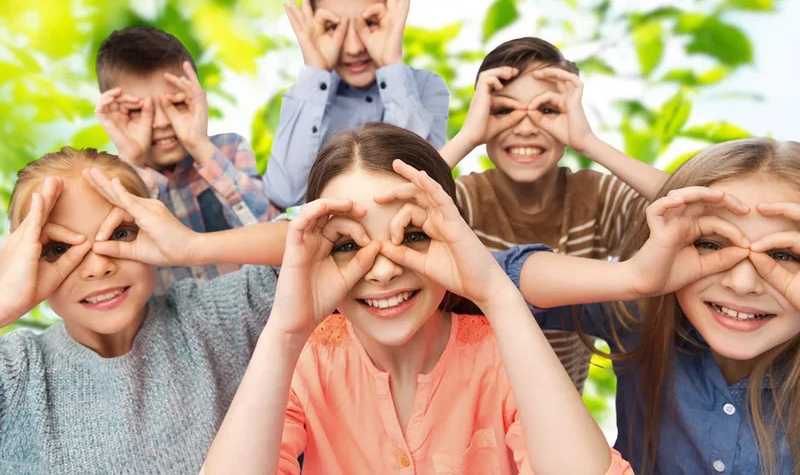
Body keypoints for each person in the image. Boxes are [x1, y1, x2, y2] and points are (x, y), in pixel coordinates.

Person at [202, 123, 633, 475]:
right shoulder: (308, 360)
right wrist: (284, 332)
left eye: (412, 236)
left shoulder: (501, 354)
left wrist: (497, 293)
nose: (384, 269)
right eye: (348, 244)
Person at [506, 138, 800, 474]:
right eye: (711, 244)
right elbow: (481, 279)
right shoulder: (641, 312)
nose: (742, 284)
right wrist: (631, 277)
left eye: (784, 255)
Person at [0, 147, 287, 473]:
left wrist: (194, 246)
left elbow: (329, 240)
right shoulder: (16, 373)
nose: (98, 267)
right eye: (58, 249)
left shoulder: (211, 318)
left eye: (121, 233)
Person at [439, 36, 668, 391]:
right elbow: (387, 209)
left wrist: (589, 142)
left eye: (547, 110)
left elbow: (699, 207)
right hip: (469, 406)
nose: (526, 126)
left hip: (561, 409)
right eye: (503, 110)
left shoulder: (594, 198)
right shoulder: (465, 200)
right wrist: (467, 136)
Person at [266, 0, 450, 210]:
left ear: (396, 17)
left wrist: (390, 63)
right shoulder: (307, 96)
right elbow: (285, 194)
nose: (353, 47)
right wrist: (315, 68)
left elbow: (418, 186)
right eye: (332, 27)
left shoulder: (427, 87)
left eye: (371, 22)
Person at [95, 26, 277, 290]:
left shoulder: (228, 150)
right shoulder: (109, 184)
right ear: (111, 115)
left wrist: (200, 146)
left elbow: (275, 232)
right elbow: (112, 264)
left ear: (199, 99)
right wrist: (131, 162)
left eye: (177, 104)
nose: (160, 122)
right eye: (136, 110)